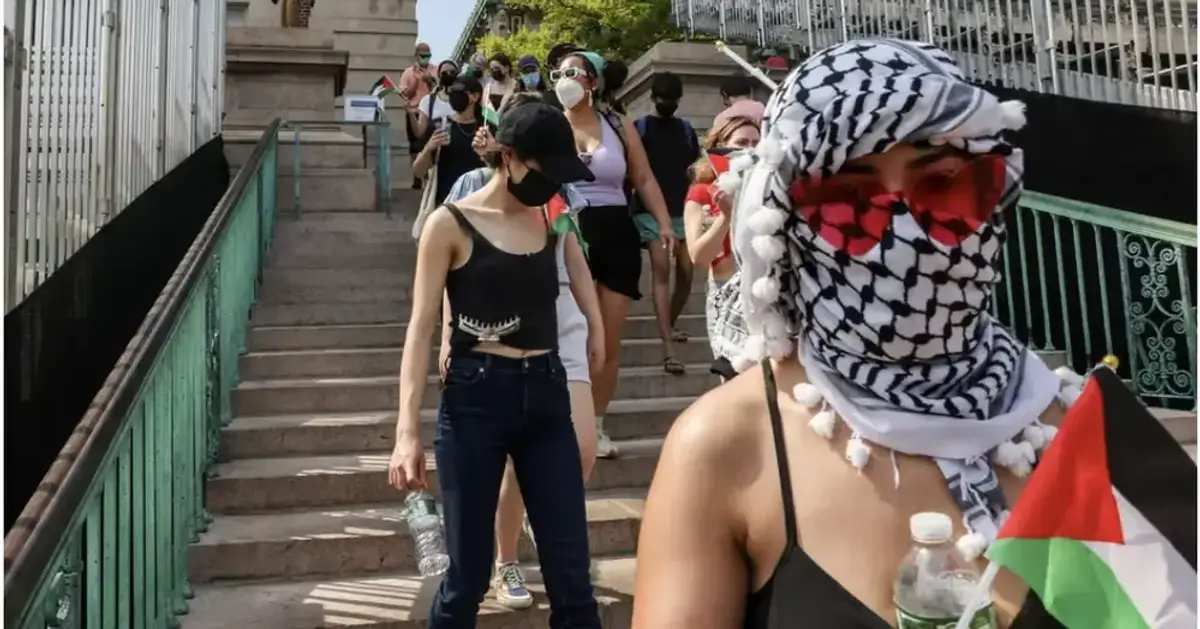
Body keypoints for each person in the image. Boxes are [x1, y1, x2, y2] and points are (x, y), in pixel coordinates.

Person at [632, 39, 1070, 629]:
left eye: (942, 184)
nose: (905, 232)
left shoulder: (1076, 429)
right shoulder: (727, 449)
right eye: (849, 199)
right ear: (787, 223)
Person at [388, 99, 602, 628]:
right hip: (474, 400)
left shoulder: (551, 219)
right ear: (506, 156)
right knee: (465, 580)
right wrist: (405, 432)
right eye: (544, 169)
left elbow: (577, 270)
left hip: (547, 397)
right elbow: (420, 329)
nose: (553, 182)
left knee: (572, 578)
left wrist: (595, 327)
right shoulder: (450, 224)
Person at [551, 50, 676, 458]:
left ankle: (596, 424)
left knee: (608, 335)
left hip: (618, 232)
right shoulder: (549, 126)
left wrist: (663, 223)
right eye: (560, 72)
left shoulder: (618, 126)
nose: (565, 77)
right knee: (571, 332)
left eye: (574, 71)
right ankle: (563, 418)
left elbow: (642, 177)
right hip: (569, 232)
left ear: (593, 82)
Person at [631, 72, 700, 374]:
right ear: (653, 98)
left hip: (683, 209)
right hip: (648, 213)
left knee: (686, 272)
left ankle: (669, 324)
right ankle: (668, 349)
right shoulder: (641, 128)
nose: (665, 103)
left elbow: (696, 165)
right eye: (661, 98)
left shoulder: (686, 130)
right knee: (661, 269)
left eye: (670, 99)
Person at [681, 115, 760, 381]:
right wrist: (727, 217)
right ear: (720, 146)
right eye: (740, 143)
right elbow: (699, 256)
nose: (748, 149)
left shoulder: (772, 190)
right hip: (727, 294)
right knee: (735, 381)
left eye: (755, 143)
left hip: (765, 292)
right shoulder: (703, 193)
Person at [412, 74, 485, 210]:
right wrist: (429, 148)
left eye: (460, 92)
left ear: (475, 97)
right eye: (453, 92)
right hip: (446, 205)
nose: (455, 96)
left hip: (478, 206)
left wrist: (489, 151)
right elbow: (418, 171)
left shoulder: (486, 128)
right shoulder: (440, 125)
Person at [400, 43, 438, 189]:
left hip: (431, 111)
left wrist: (431, 83)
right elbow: (404, 94)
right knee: (415, 146)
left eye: (428, 56)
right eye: (422, 56)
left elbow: (440, 89)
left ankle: (430, 173)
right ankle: (417, 177)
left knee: (431, 143)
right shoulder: (408, 73)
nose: (425, 59)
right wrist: (415, 83)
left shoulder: (435, 70)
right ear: (416, 56)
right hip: (414, 111)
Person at [411, 59, 460, 141]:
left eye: (452, 72)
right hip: (436, 150)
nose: (449, 75)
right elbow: (419, 132)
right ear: (439, 76)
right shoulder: (428, 101)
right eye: (444, 73)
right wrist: (411, 114)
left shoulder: (466, 99)